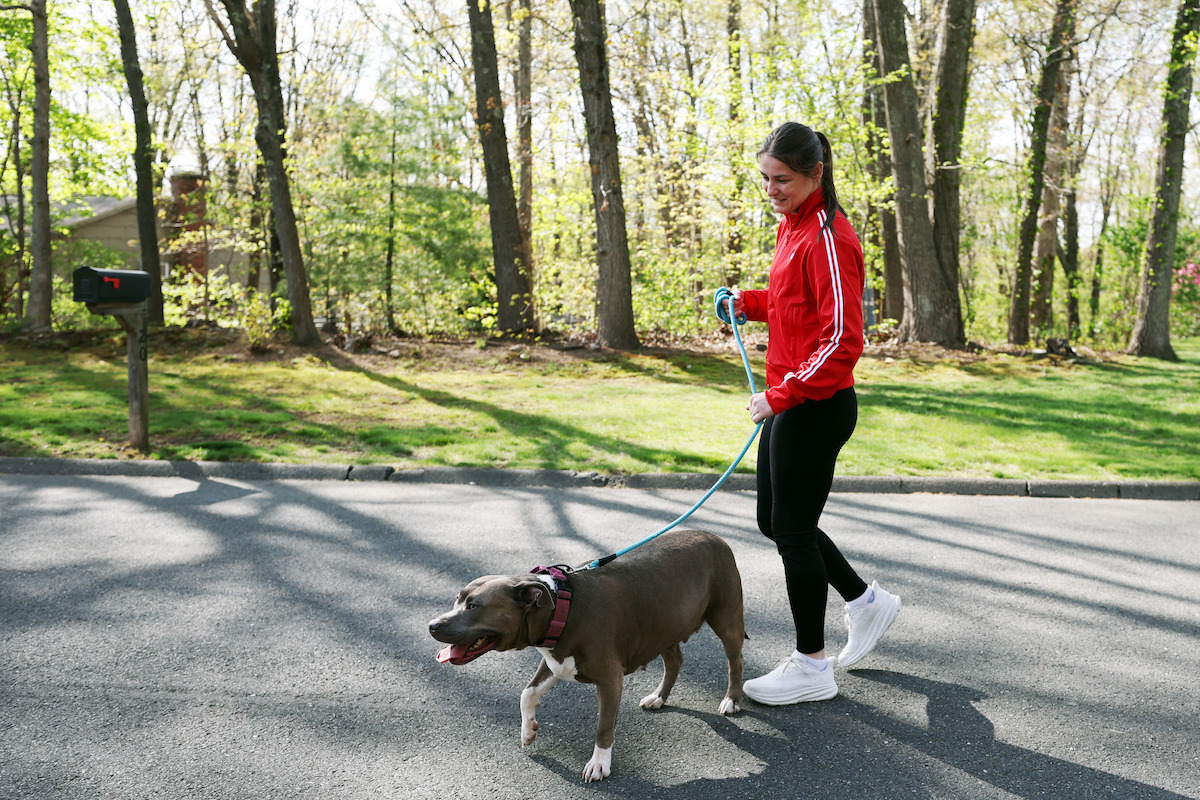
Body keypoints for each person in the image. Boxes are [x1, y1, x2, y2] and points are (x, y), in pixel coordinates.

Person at [715, 121, 900, 705]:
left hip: (814, 406)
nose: (772, 189)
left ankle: (811, 666)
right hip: (790, 402)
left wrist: (782, 394)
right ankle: (867, 603)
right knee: (776, 522)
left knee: (791, 531)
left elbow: (844, 337)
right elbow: (796, 305)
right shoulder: (792, 227)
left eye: (783, 179)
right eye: (766, 179)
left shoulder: (829, 236)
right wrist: (747, 303)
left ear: (815, 174)